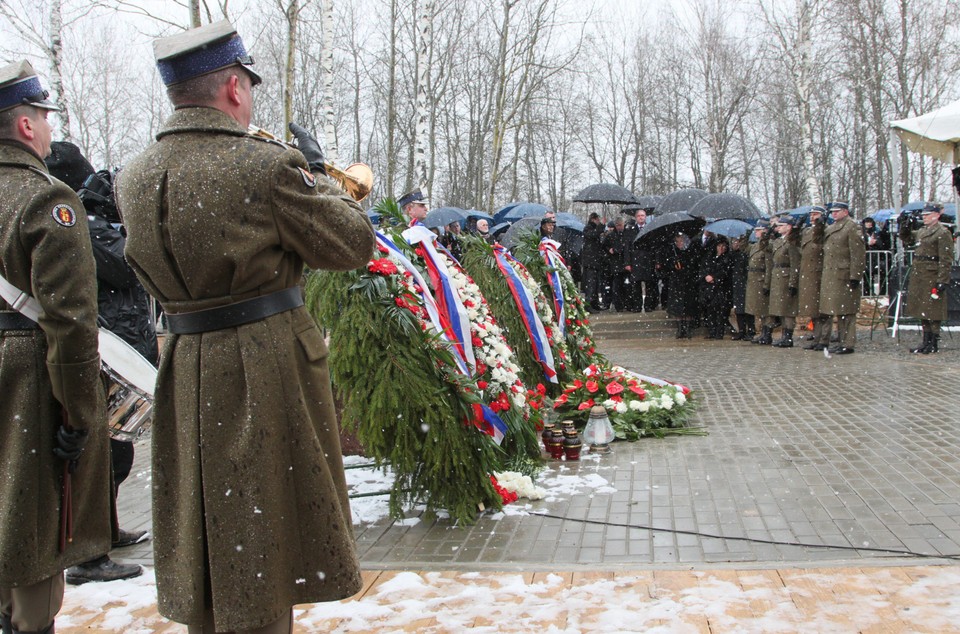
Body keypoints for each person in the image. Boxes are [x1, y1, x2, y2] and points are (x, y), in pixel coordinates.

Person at [114, 21, 375, 634]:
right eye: (249, 86)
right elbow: (352, 244)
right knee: (261, 531)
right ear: (233, 87)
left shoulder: (133, 175)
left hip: (183, 362)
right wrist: (314, 178)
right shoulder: (264, 165)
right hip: (263, 362)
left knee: (205, 529)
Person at [0, 60, 112, 634]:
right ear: (25, 127)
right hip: (27, 373)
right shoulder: (47, 200)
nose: (48, 128)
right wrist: (79, 410)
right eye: (43, 116)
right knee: (35, 522)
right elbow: (71, 323)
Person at [44, 141, 148, 586]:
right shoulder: (82, 224)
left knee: (116, 452)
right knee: (102, 455)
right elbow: (129, 265)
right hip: (106, 352)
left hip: (125, 344)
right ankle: (87, 556)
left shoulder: (96, 220)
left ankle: (104, 531)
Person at [900, 202, 953, 354]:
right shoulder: (923, 231)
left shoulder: (942, 232)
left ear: (936, 215)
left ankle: (933, 341)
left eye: (927, 215)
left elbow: (946, 258)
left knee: (933, 309)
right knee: (922, 308)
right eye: (923, 215)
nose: (924, 218)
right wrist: (905, 226)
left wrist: (942, 280)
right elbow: (907, 238)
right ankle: (925, 341)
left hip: (932, 273)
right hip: (920, 273)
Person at [817, 201, 865, 354]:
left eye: (837, 211)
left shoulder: (851, 227)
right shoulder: (831, 227)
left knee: (847, 311)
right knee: (838, 309)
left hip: (844, 274)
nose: (834, 214)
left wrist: (855, 275)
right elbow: (818, 241)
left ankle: (848, 343)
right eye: (832, 212)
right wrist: (819, 225)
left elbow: (857, 253)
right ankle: (841, 341)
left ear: (845, 211)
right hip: (832, 274)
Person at [766, 216, 802, 348]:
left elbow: (795, 264)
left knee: (788, 310)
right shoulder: (779, 241)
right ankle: (784, 336)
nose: (778, 228)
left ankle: (788, 337)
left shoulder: (792, 242)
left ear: (789, 227)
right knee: (781, 308)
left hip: (786, 277)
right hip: (778, 278)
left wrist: (793, 283)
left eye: (782, 225)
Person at [799, 206, 827, 350]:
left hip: (820, 272)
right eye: (811, 214)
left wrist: (821, 225)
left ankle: (824, 339)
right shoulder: (808, 231)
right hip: (809, 273)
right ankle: (817, 338)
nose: (812, 217)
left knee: (823, 310)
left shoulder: (825, 230)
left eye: (815, 214)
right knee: (813, 309)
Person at [663, 232, 699, 337]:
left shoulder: (691, 250)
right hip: (676, 282)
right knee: (677, 306)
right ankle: (679, 329)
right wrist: (674, 263)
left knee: (688, 305)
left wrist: (685, 266)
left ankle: (687, 328)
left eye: (681, 241)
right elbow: (667, 265)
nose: (679, 243)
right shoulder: (672, 251)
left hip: (688, 281)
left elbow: (694, 263)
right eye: (677, 241)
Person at [698, 236, 733, 339]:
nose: (721, 248)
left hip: (721, 289)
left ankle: (719, 332)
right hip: (709, 289)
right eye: (719, 246)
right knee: (710, 311)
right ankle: (712, 331)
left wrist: (715, 278)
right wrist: (706, 276)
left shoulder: (727, 258)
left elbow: (725, 272)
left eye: (723, 246)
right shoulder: (710, 257)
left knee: (720, 311)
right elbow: (704, 269)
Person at [744, 221, 773, 344]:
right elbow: (744, 249)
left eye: (758, 230)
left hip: (762, 279)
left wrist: (767, 283)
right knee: (759, 309)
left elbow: (769, 265)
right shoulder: (756, 245)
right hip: (754, 280)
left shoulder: (768, 245)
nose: (756, 232)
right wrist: (745, 237)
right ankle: (762, 333)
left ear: (765, 231)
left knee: (765, 310)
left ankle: (767, 334)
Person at [626, 208, 659, 312]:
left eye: (643, 215)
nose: (641, 217)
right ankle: (637, 306)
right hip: (635, 260)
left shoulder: (650, 229)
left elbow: (655, 247)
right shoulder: (630, 231)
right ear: (636, 218)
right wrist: (627, 262)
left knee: (650, 284)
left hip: (648, 260)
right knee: (635, 285)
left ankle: (648, 305)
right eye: (639, 216)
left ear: (645, 217)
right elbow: (627, 248)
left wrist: (657, 261)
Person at [601, 216, 630, 311]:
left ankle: (627, 303)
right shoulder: (611, 235)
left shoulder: (628, 234)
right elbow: (604, 245)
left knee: (626, 285)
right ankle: (618, 305)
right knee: (616, 285)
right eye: (617, 225)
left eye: (620, 225)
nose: (619, 227)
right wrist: (609, 249)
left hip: (626, 262)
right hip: (615, 263)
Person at [729, 234, 753, 340]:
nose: (736, 244)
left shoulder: (745, 254)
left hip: (745, 283)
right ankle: (741, 330)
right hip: (737, 284)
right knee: (738, 309)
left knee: (747, 309)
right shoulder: (732, 255)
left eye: (738, 242)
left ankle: (751, 330)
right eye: (734, 242)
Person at [580, 212, 605, 311]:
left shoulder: (594, 229)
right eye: (597, 219)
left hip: (595, 261)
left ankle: (594, 303)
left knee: (595, 284)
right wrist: (601, 225)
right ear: (593, 219)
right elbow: (593, 235)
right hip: (590, 262)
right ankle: (588, 303)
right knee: (590, 284)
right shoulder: (588, 228)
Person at [861, 216, 890, 295]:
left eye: (870, 222)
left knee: (880, 276)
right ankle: (867, 293)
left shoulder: (877, 233)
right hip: (865, 259)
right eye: (867, 222)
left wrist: (876, 242)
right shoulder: (861, 233)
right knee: (866, 277)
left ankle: (882, 293)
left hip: (876, 258)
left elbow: (882, 245)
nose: (868, 224)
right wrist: (867, 243)